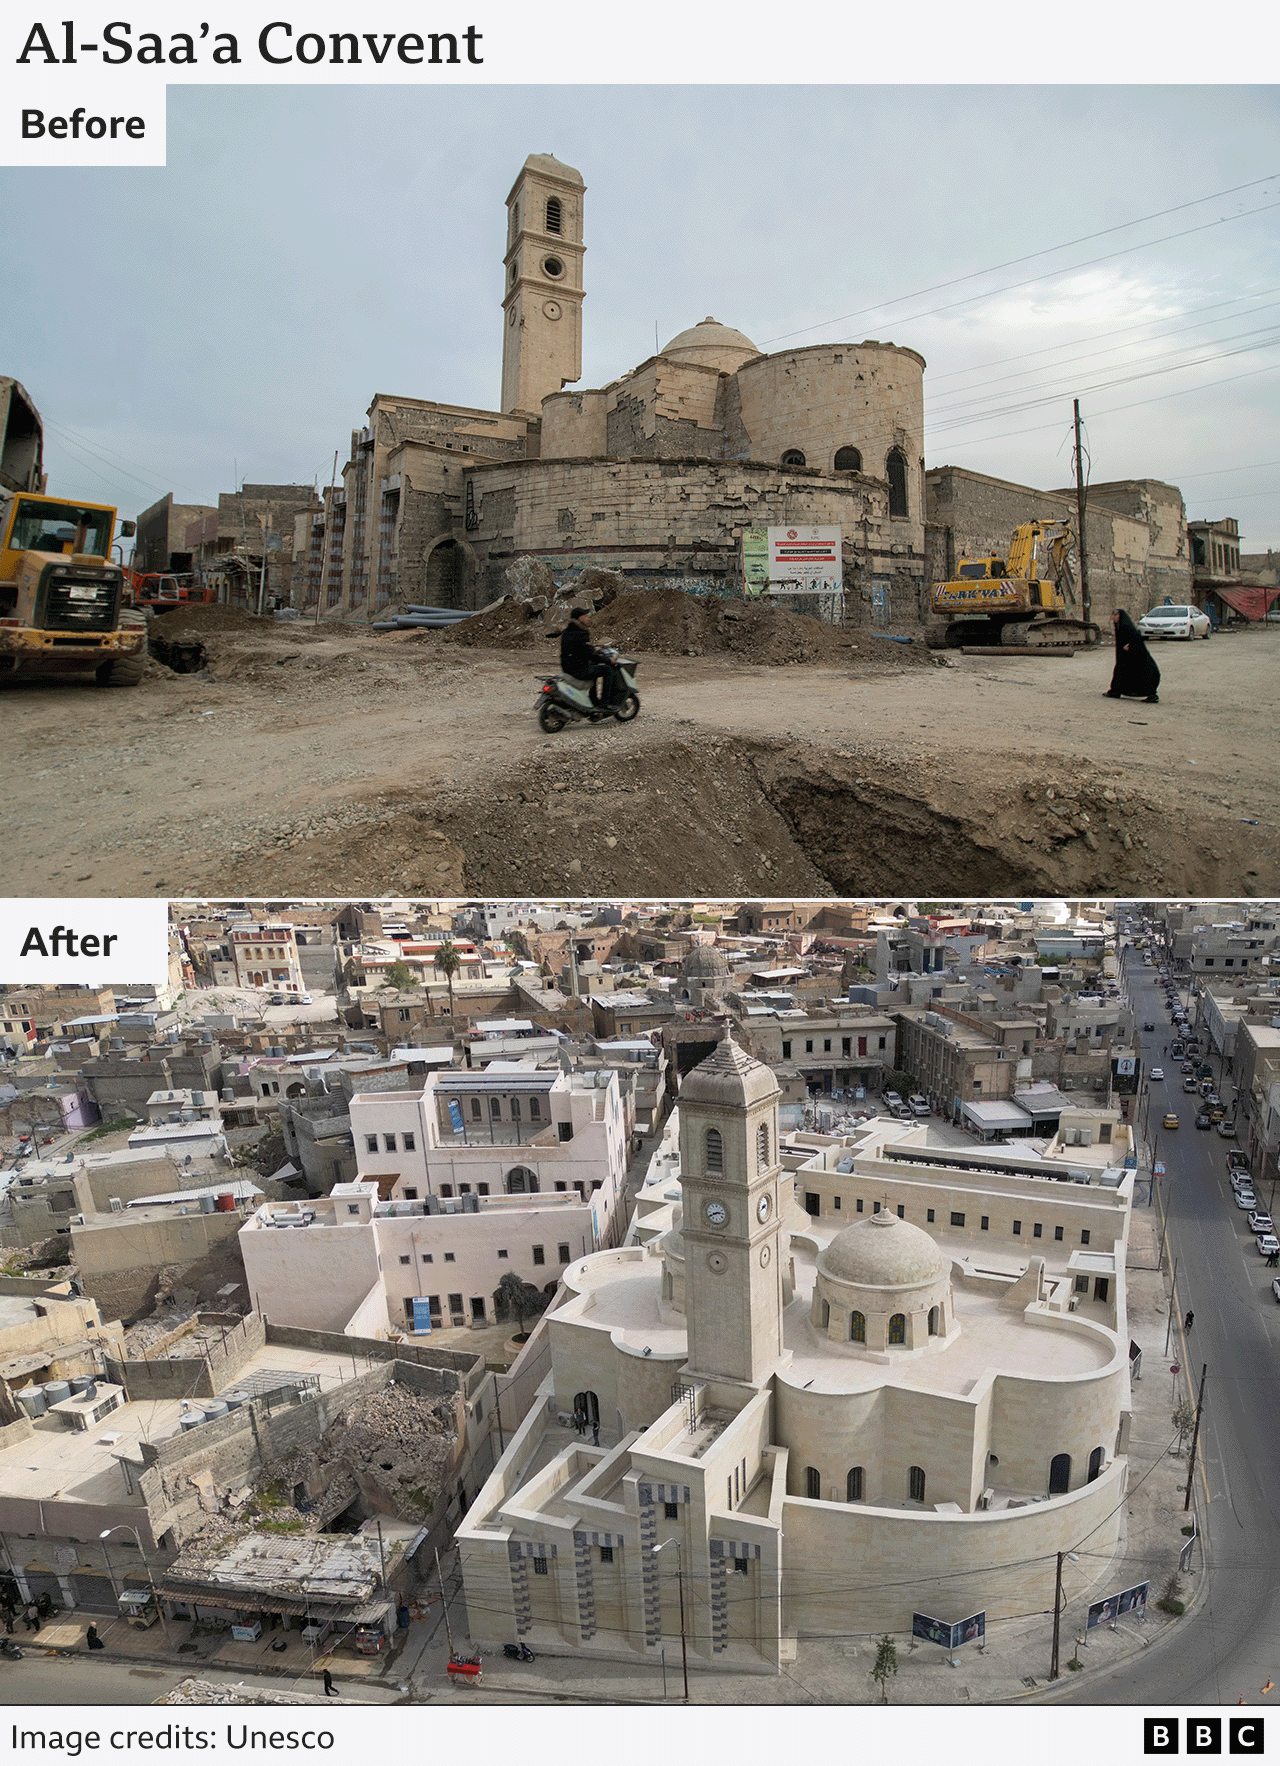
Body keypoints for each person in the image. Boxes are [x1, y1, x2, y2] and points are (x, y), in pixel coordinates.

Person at [559, 606, 616, 709]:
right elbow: (591, 655)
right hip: (578, 670)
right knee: (608, 670)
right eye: (585, 616)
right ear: (580, 618)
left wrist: (592, 648)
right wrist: (608, 660)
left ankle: (593, 699)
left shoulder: (567, 631)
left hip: (568, 667)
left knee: (593, 667)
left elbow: (580, 649)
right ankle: (604, 704)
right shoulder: (582, 633)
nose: (588, 618)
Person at [1105, 608, 1160, 704]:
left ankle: (1151, 694)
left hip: (1136, 655)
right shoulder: (1119, 627)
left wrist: (1130, 645)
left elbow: (1136, 637)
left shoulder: (1126, 626)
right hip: (1126, 656)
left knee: (1143, 672)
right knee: (1121, 671)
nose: (1113, 618)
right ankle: (1116, 691)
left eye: (1115, 615)